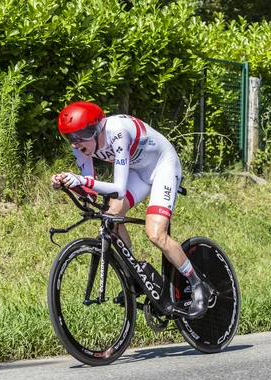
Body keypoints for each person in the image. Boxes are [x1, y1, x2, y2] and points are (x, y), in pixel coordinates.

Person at [50, 101, 211, 318]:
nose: (75, 144)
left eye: (80, 136)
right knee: (111, 218)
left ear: (97, 129)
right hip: (139, 172)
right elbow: (90, 192)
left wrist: (80, 180)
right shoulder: (82, 146)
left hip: (163, 166)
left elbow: (118, 188)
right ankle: (137, 273)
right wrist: (67, 184)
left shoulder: (118, 132)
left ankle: (198, 284)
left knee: (156, 234)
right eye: (70, 137)